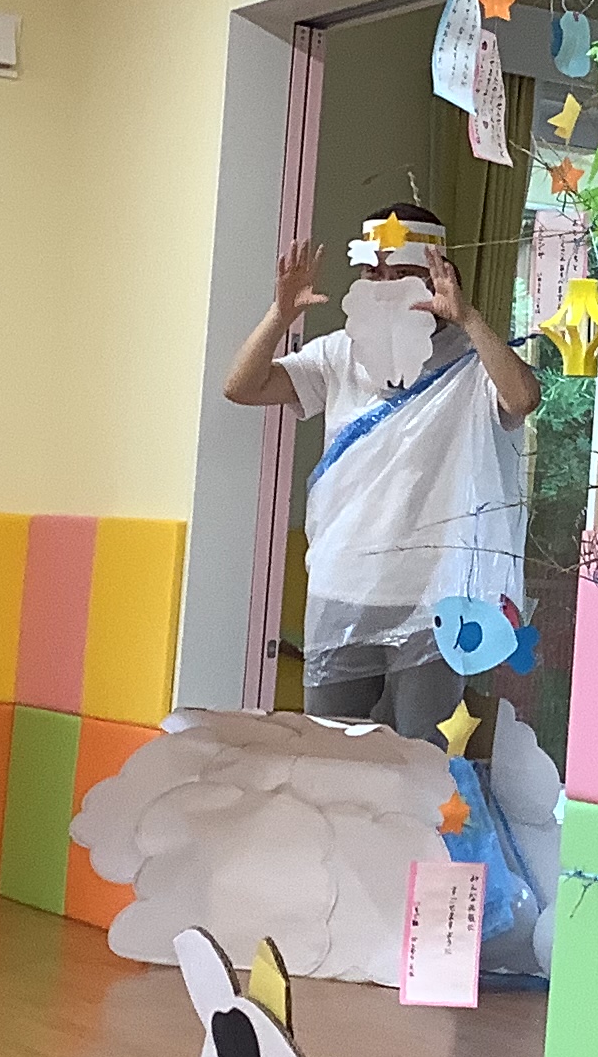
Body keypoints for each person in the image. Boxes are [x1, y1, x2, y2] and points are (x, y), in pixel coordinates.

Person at [223, 205, 541, 742]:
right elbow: (242, 386)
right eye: (373, 273)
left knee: (420, 760)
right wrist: (280, 314)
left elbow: (523, 397)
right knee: (331, 754)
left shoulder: (471, 361)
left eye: (402, 274)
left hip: (434, 598)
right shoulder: (338, 356)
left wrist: (469, 319)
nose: (385, 287)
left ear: (437, 275)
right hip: (342, 587)